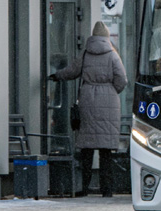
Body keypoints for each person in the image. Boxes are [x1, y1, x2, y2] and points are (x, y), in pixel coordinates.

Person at [52, 21, 129, 197]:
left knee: (87, 149)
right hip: (109, 102)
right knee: (105, 151)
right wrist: (110, 90)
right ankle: (106, 189)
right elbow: (122, 79)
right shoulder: (112, 55)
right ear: (107, 37)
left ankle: (84, 187)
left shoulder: (86, 53)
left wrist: (57, 76)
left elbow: (72, 71)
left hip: (87, 99)